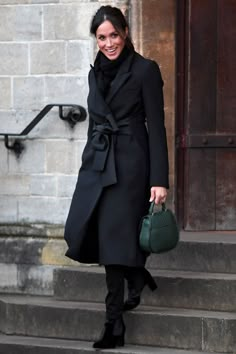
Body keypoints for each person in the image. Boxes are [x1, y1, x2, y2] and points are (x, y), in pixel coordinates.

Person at [64, 5, 169, 349]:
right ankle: (136, 275)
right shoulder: (95, 73)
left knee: (113, 241)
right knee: (84, 228)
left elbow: (156, 128)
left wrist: (159, 179)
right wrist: (87, 165)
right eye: (101, 37)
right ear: (95, 39)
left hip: (132, 165)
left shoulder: (145, 70)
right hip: (99, 163)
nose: (109, 43)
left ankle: (113, 324)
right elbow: (95, 123)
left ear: (125, 32)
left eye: (114, 35)